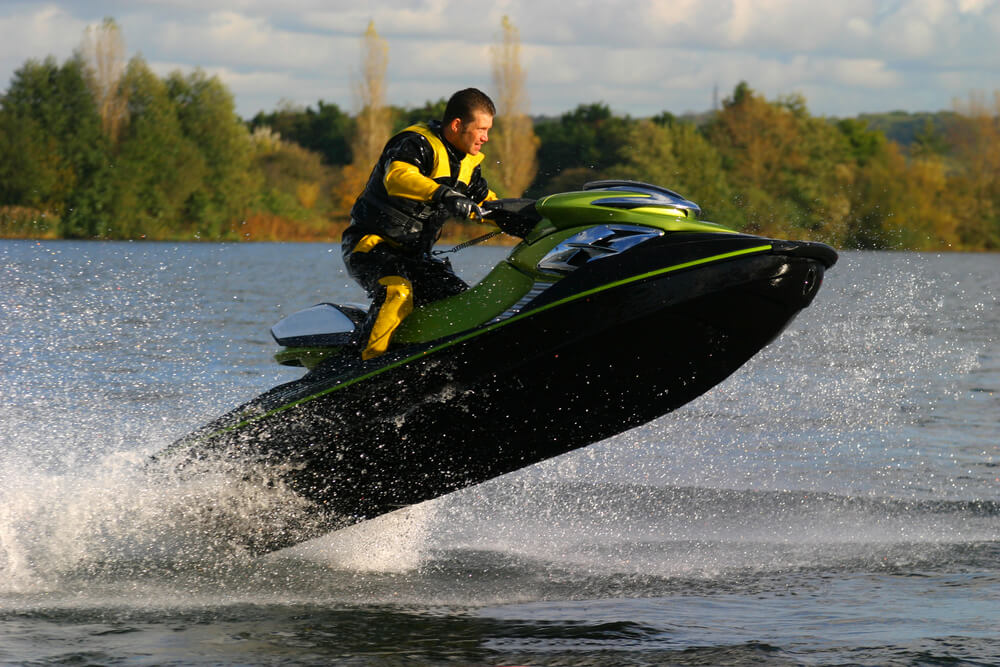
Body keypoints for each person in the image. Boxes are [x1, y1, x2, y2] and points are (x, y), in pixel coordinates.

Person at [342, 88, 499, 360]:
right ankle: (366, 366)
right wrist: (444, 194)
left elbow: (489, 204)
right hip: (372, 246)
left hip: (417, 258)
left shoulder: (469, 164)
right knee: (397, 291)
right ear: (457, 125)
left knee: (465, 306)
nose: (486, 137)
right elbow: (398, 178)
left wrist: (531, 218)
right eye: (481, 129)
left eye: (488, 130)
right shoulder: (415, 143)